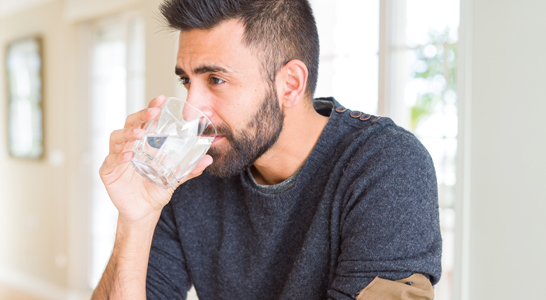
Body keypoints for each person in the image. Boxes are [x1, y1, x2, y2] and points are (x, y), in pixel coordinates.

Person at [92, 0, 442, 299]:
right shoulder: (191, 167)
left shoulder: (384, 166)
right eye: (187, 80)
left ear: (290, 85)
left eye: (216, 80)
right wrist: (135, 221)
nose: (189, 111)